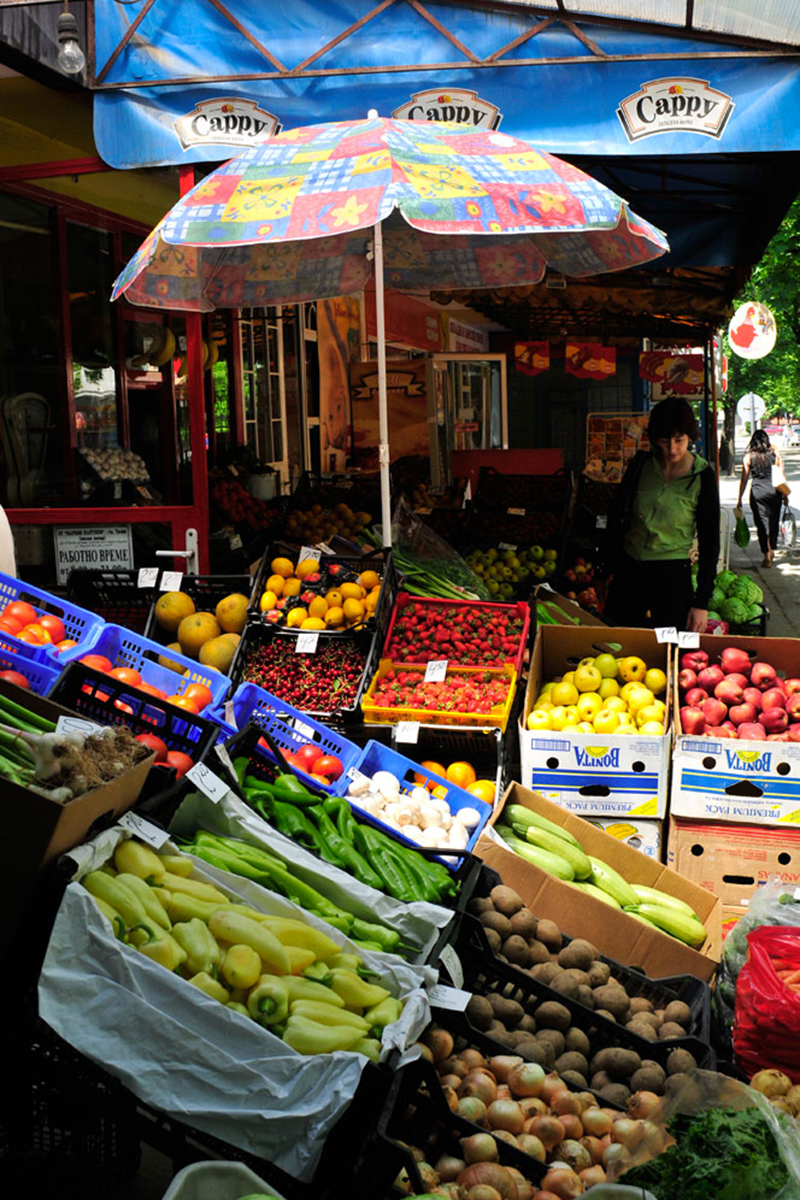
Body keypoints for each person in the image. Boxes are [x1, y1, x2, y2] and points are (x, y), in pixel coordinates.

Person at [604, 398, 720, 633]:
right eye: (665, 441)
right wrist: (605, 568)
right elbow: (616, 515)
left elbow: (710, 541)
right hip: (629, 570)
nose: (672, 449)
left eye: (679, 440)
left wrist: (701, 602)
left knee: (669, 647)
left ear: (690, 436)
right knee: (617, 642)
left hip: (672, 575)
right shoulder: (640, 466)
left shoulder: (702, 476)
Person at [736, 428, 785, 567]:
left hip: (758, 494)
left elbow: (744, 479)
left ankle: (766, 555)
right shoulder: (775, 454)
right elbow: (781, 475)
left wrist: (739, 498)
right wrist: (785, 495)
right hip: (775, 492)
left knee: (761, 524)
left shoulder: (748, 457)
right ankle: (771, 549)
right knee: (773, 522)